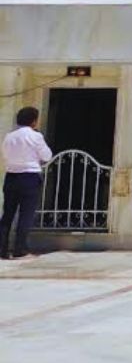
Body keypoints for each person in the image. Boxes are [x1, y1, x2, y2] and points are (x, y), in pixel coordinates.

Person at [2, 106, 52, 259]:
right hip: (29, 177)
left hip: (11, 176)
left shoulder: (9, 136)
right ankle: (20, 249)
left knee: (7, 214)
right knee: (25, 215)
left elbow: (4, 154)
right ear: (33, 121)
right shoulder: (35, 136)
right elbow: (47, 155)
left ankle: (2, 249)